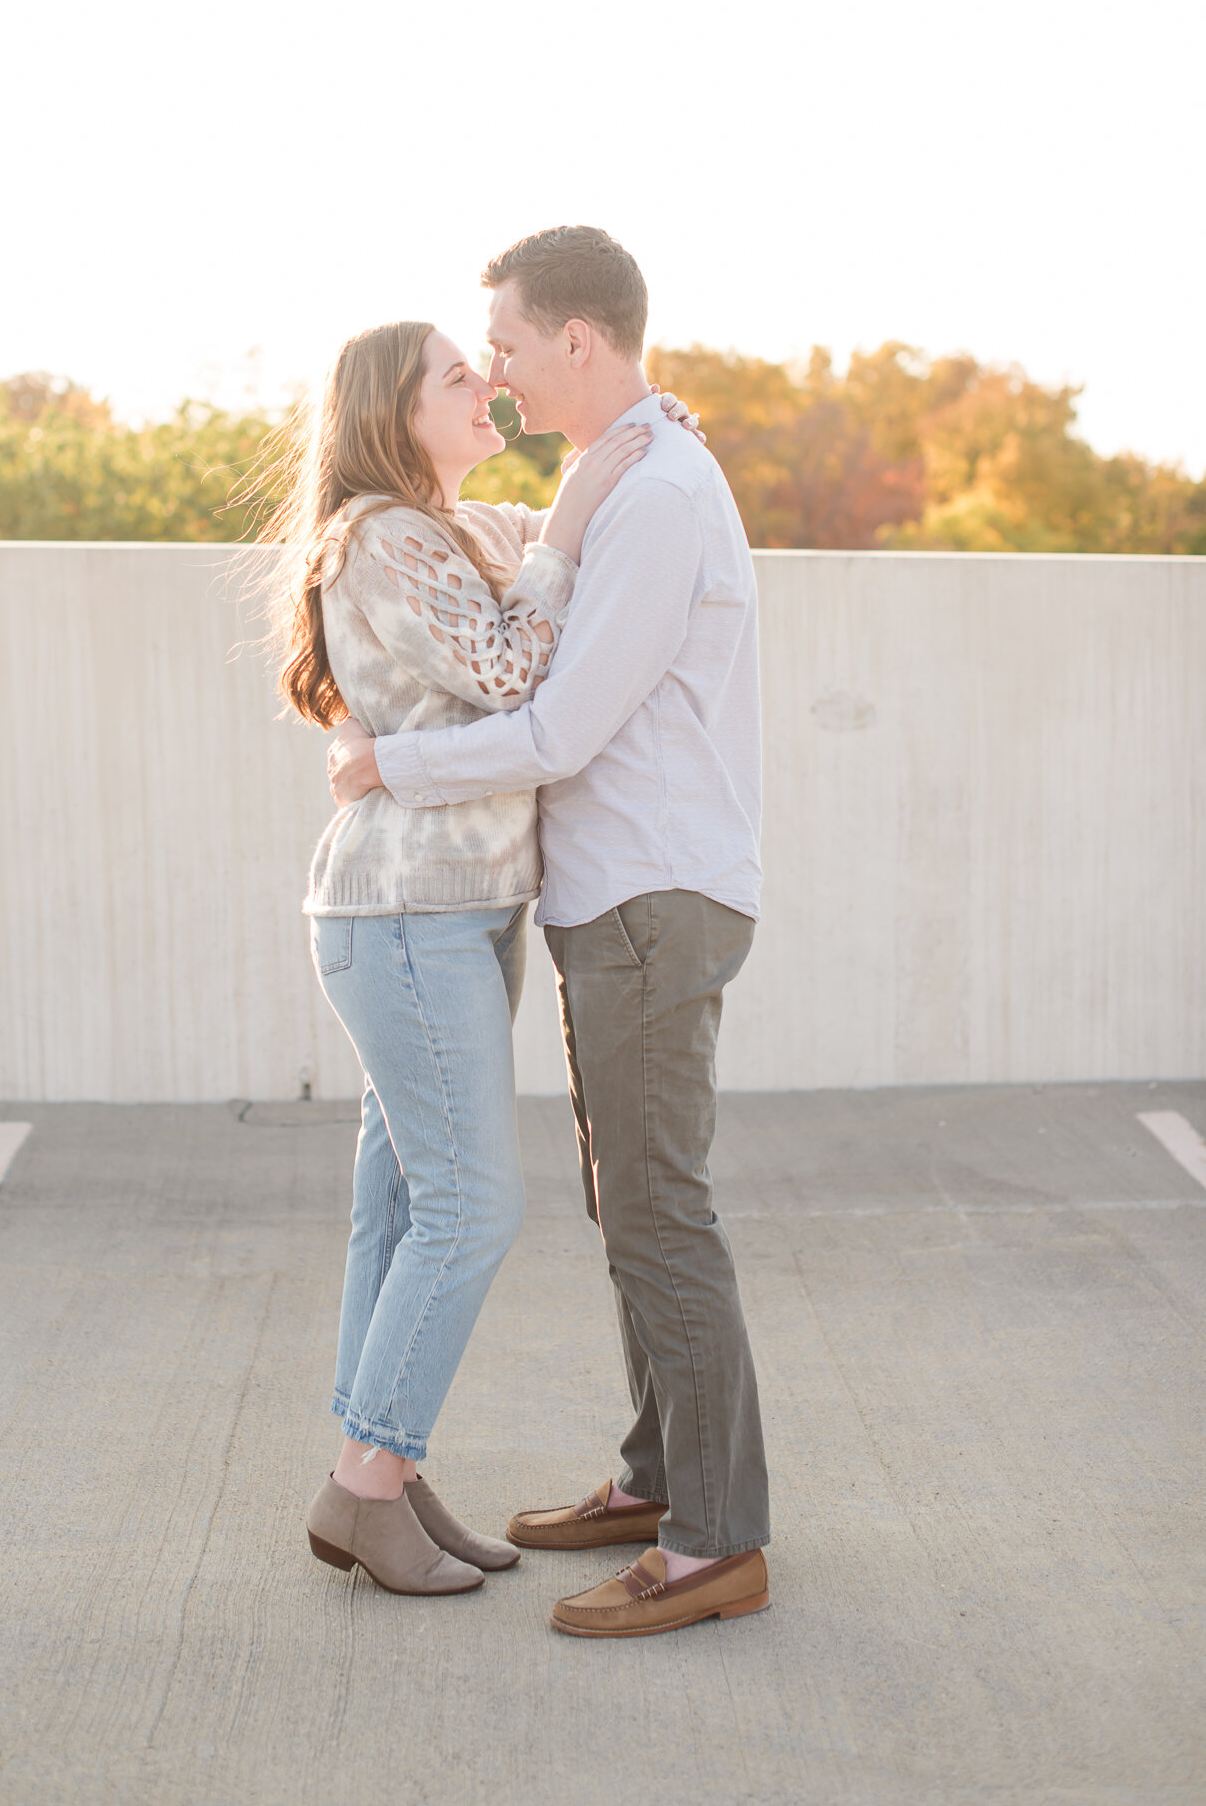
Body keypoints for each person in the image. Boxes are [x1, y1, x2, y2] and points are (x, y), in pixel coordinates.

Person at [328, 226, 770, 1638]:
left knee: (656, 1215)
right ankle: (652, 1479)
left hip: (646, 896)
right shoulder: (609, 478)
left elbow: (557, 719)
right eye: (473, 365)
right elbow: (514, 584)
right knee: (624, 1209)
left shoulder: (650, 496)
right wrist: (579, 493)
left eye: (505, 347)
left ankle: (711, 1544)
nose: (499, 376)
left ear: (573, 340)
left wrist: (391, 764)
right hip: (601, 900)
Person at [267, 315, 694, 1597]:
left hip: (442, 912)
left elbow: (531, 546)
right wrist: (562, 528)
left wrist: (627, 445)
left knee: (400, 1204)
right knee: (470, 1205)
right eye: (458, 374)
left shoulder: (445, 527)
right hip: (405, 916)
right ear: (394, 414)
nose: (487, 384)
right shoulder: (384, 539)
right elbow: (515, 665)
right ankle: (366, 1482)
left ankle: (381, 1465)